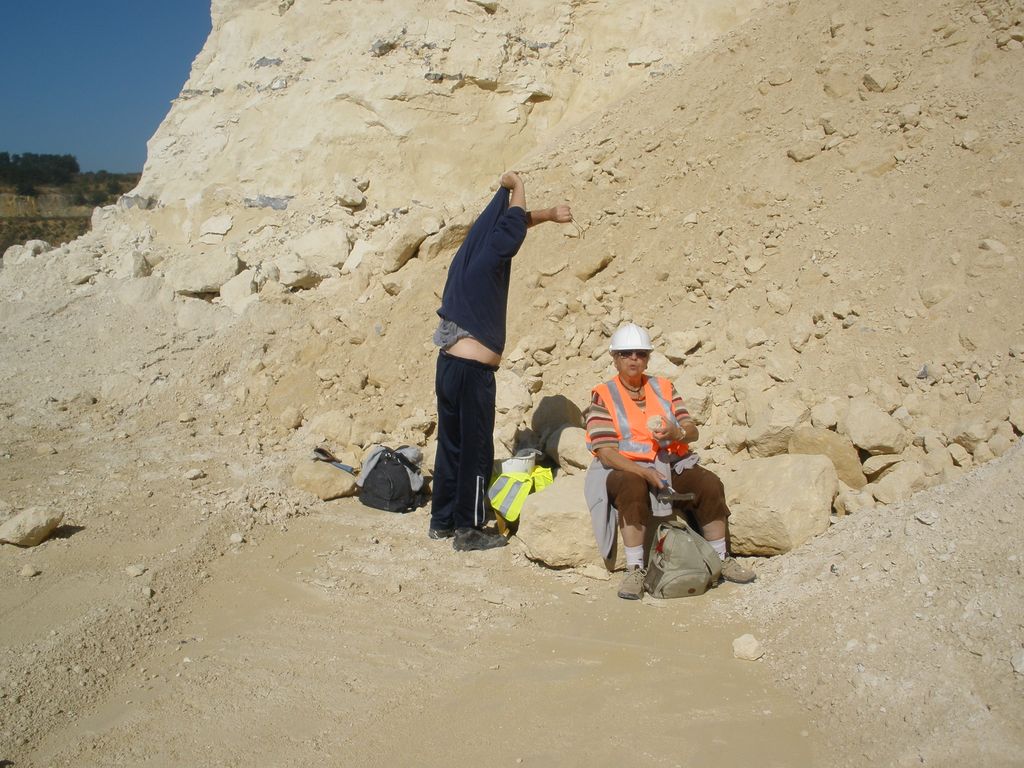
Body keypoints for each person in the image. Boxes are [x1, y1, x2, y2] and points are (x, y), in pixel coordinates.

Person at [430, 172, 572, 551]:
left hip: (449, 367)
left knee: (451, 444)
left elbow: (512, 225)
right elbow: (510, 232)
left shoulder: (470, 253)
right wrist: (518, 185)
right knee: (476, 450)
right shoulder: (492, 255)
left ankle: (442, 521)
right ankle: (469, 529)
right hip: (473, 373)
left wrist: (546, 215)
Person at [583, 322, 756, 599]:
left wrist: (677, 432)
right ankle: (635, 569)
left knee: (708, 484)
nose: (634, 359)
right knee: (631, 486)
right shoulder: (604, 395)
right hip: (625, 466)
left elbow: (691, 429)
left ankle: (721, 558)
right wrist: (644, 472)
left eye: (640, 353)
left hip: (668, 461)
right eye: (626, 354)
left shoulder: (663, 387)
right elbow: (606, 451)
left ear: (648, 357)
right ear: (614, 358)